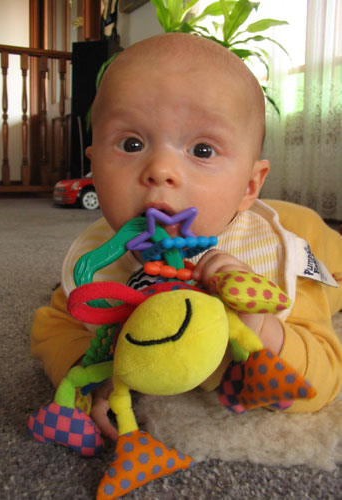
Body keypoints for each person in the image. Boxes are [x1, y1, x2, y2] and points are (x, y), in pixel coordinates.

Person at [31, 33, 342, 441]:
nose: (160, 169)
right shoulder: (99, 258)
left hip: (320, 244)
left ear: (249, 187)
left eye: (203, 150)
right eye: (132, 143)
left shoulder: (281, 250)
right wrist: (88, 375)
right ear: (94, 167)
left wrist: (261, 325)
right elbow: (52, 326)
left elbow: (322, 380)